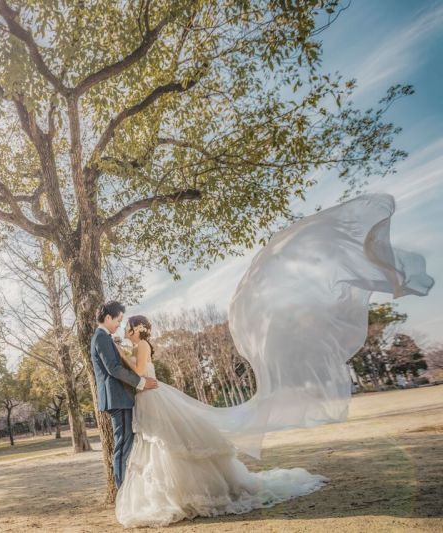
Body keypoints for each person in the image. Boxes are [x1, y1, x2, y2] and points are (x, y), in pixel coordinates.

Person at [112, 194, 434, 528]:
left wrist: (121, 354)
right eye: (130, 329)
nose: (129, 332)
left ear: (139, 328)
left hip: (152, 397)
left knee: (169, 446)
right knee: (159, 447)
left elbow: (137, 372)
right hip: (148, 400)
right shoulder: (141, 346)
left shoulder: (143, 347)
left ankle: (194, 493)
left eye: (131, 328)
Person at [90, 301, 158, 489]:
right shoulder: (101, 337)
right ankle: (122, 491)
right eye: (118, 321)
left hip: (120, 398)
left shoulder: (104, 337)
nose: (119, 325)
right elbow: (113, 369)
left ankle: (127, 488)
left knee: (127, 444)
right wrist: (142, 383)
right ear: (108, 317)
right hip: (117, 398)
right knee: (123, 446)